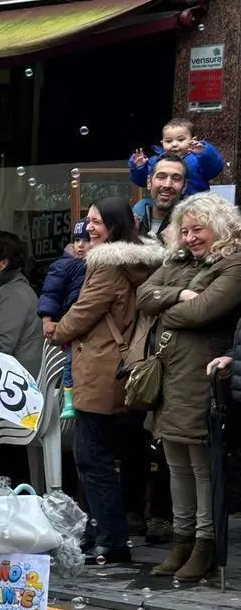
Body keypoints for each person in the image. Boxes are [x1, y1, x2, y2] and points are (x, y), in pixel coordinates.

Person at [48, 195, 164, 564]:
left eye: (97, 220)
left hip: (100, 369)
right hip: (120, 368)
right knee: (113, 453)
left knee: (91, 456)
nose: (89, 226)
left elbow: (84, 311)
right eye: (88, 220)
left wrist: (56, 329)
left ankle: (111, 539)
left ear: (113, 226)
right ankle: (102, 530)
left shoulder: (107, 267)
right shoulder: (137, 261)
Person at [140, 192, 241, 580]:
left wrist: (165, 308)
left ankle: (203, 544)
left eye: (199, 229)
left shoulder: (233, 263)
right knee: (175, 464)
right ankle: (181, 542)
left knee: (201, 467)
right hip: (170, 376)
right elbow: (142, 297)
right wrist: (178, 294)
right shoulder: (179, 261)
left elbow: (202, 312)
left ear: (220, 227)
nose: (191, 237)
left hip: (203, 377)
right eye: (185, 230)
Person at [39, 218, 91, 415]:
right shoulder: (63, 266)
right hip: (69, 324)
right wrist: (47, 319)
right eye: (77, 240)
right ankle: (69, 400)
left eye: (86, 240)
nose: (81, 245)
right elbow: (50, 293)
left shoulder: (97, 265)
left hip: (86, 325)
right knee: (70, 362)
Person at [0, 231, 43, 379]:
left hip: (14, 381)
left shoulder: (13, 293)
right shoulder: (4, 288)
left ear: (3, 263)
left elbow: (2, 345)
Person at [129, 118, 221, 195]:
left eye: (181, 140)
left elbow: (214, 169)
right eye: (168, 141)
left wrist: (203, 153)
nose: (174, 144)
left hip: (195, 205)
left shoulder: (198, 159)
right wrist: (139, 167)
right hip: (165, 203)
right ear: (162, 143)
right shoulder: (156, 161)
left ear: (193, 140)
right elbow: (142, 182)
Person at [135, 153, 188, 244]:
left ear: (184, 187)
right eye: (161, 177)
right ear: (149, 182)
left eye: (176, 179)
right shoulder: (132, 223)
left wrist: (179, 245)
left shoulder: (190, 230)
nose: (167, 185)